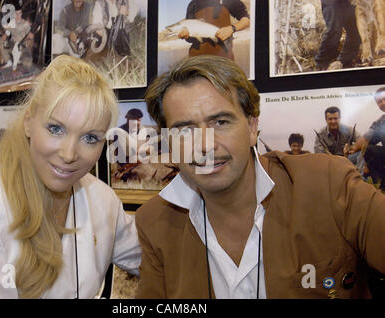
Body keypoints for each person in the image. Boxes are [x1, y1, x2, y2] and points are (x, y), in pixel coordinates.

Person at [135, 55, 385, 298]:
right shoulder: (155, 222)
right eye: (185, 129)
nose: (205, 145)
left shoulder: (328, 182)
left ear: (252, 128)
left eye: (220, 122)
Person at [0, 55, 140, 298]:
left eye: (89, 138)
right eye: (56, 129)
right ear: (28, 123)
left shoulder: (101, 199)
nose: (68, 155)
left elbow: (152, 257)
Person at [178, 0, 250, 59]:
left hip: (223, 58)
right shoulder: (193, 4)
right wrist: (186, 36)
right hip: (196, 59)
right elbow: (190, 39)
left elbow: (247, 20)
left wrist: (232, 28)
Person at [347, 87, 385, 190]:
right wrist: (352, 148)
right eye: (379, 102)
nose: (383, 103)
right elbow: (366, 139)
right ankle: (380, 185)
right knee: (367, 151)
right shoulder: (380, 122)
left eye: (384, 99)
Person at [314, 0, 361, 70]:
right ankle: (321, 63)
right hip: (332, 2)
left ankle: (344, 62)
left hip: (350, 2)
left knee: (356, 31)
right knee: (334, 30)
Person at [0, 3, 31, 68]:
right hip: (12, 43)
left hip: (21, 45)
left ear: (21, 14)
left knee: (26, 64)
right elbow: (7, 33)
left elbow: (30, 36)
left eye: (19, 13)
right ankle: (9, 61)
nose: (17, 15)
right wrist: (2, 34)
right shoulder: (12, 23)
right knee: (0, 40)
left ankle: (17, 60)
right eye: (16, 13)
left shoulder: (25, 24)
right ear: (14, 14)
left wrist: (24, 42)